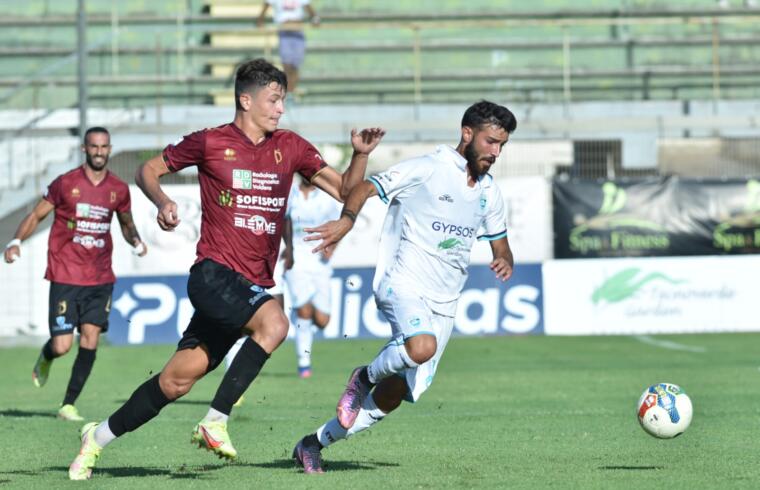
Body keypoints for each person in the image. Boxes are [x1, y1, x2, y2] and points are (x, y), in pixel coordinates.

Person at [67, 58, 384, 480]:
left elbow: (346, 188)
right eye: (273, 100)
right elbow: (148, 170)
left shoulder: (290, 147)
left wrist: (360, 156)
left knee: (175, 382)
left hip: (246, 286)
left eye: (283, 101)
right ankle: (215, 420)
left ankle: (97, 438)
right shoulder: (211, 142)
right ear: (245, 99)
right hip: (213, 274)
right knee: (275, 323)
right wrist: (162, 201)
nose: (280, 109)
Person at [291, 100, 516, 473]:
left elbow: (501, 245)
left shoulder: (489, 192)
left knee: (393, 395)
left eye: (502, 146)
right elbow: (363, 187)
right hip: (403, 282)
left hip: (445, 302)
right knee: (420, 346)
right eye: (491, 142)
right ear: (467, 133)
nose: (496, 152)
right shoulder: (428, 168)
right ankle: (362, 376)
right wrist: (346, 221)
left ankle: (313, 444)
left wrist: (505, 259)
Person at [3, 127, 147, 422]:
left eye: (104, 146)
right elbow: (36, 215)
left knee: (90, 338)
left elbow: (126, 222)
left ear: (109, 149)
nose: (99, 152)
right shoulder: (66, 183)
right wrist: (16, 241)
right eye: (93, 146)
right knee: (62, 345)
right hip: (66, 274)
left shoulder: (118, 189)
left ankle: (68, 404)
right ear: (84, 149)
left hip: (100, 276)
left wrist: (136, 241)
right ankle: (46, 355)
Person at [284, 177, 341, 378]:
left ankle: (305, 348)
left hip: (320, 262)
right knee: (304, 311)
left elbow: (340, 225)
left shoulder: (326, 197)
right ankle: (303, 363)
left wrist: (331, 247)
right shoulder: (291, 193)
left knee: (323, 320)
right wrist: (288, 250)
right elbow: (284, 221)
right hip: (296, 261)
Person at [256, 0, 320, 95]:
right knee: (287, 65)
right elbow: (267, 4)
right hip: (284, 31)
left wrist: (315, 19)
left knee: (295, 66)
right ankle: (288, 93)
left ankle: (291, 93)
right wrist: (261, 19)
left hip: (298, 31)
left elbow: (310, 9)